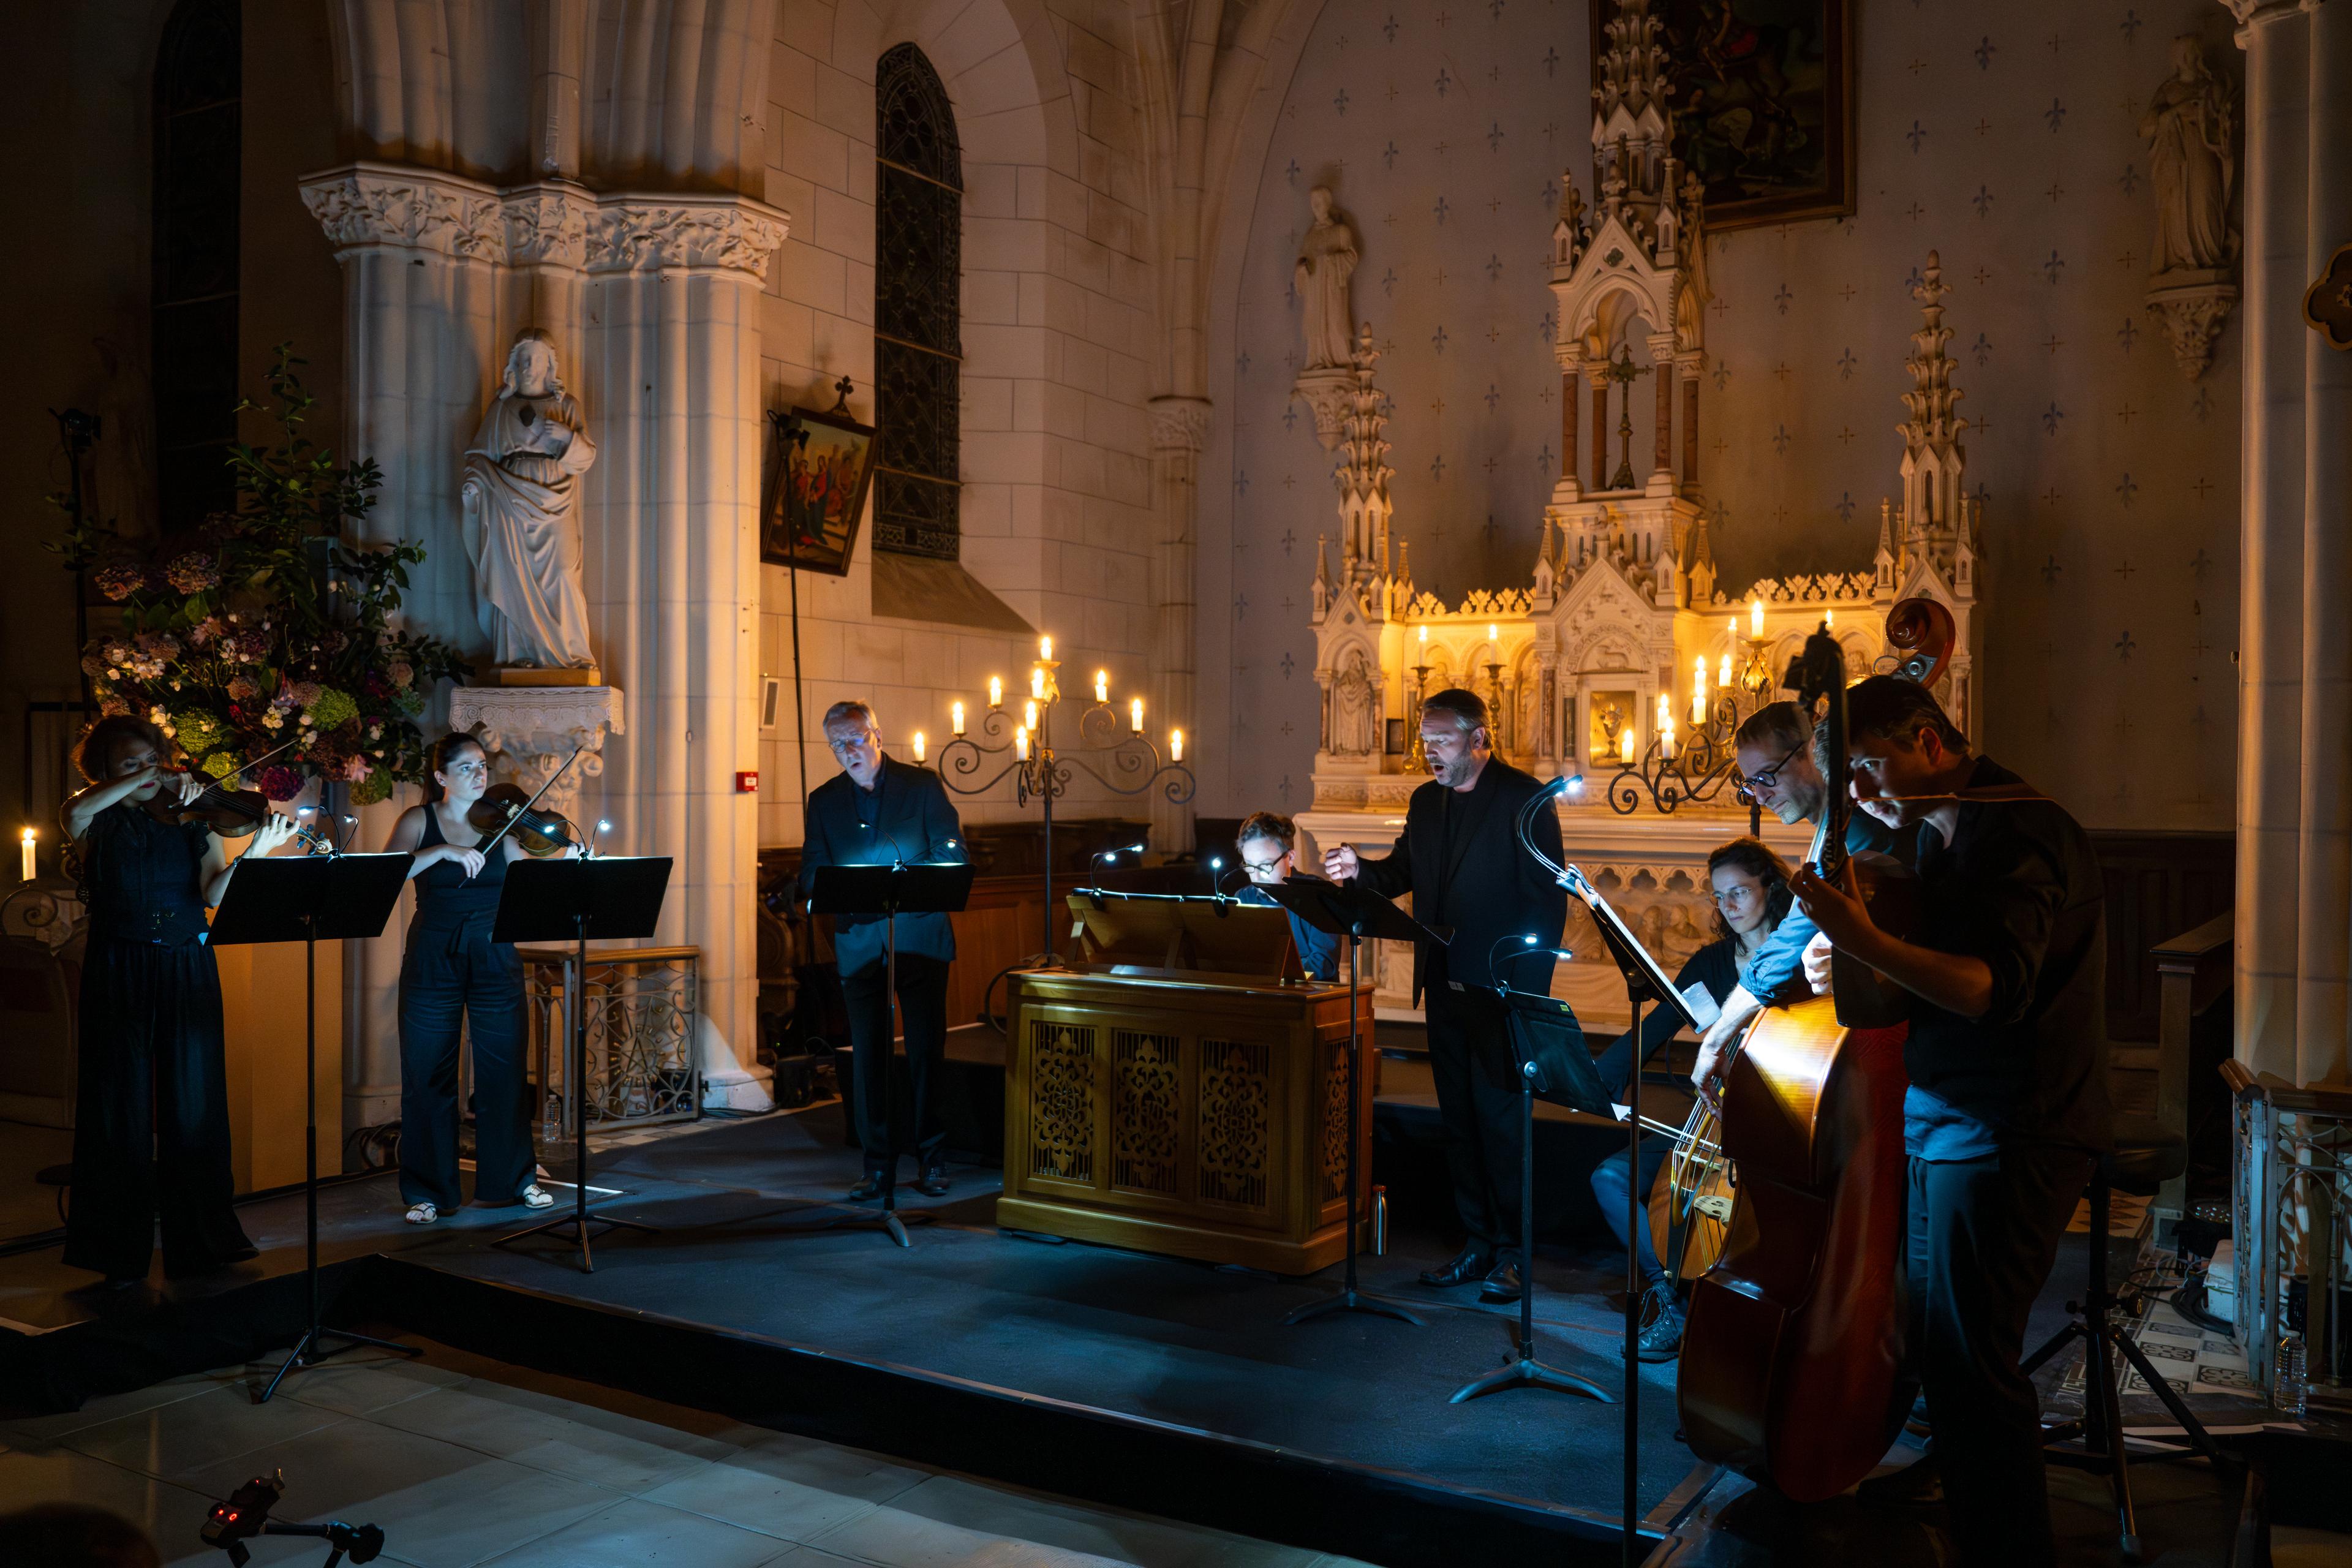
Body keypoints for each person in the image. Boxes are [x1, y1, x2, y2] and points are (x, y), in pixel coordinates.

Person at [1785, 676, 2108, 1568]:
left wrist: (1868, 944)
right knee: (1943, 1356)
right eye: (1845, 776)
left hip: (2015, 1123)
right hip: (1942, 1115)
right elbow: (1904, 991)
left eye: (1868, 766)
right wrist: (1844, 966)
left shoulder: (2025, 831)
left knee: (1976, 1368)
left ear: (1929, 740)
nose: (1857, 793)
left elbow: (1989, 989)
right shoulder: (1930, 835)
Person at [1324, 688, 1567, 1304]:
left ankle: (1514, 1255)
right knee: (1460, 1122)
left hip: (1500, 990)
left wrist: (1523, 993)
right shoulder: (1425, 802)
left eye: (1442, 740)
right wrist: (1361, 870)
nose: (1429, 751)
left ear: (1479, 738)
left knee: (1502, 1124)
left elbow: (1547, 901)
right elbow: (1402, 870)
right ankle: (1478, 1243)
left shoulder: (1523, 799)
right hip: (1443, 983)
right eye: (1424, 741)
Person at [58, 715, 301, 1286]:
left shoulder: (196, 820)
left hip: (187, 965)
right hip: (119, 964)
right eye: (128, 764)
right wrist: (158, 774)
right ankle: (114, 1251)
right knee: (119, 1105)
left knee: (193, 1103)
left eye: (149, 759)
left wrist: (257, 853)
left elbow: (213, 892)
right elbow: (75, 813)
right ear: (103, 772)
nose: (143, 772)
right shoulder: (94, 817)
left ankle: (203, 1242)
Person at [1588, 837, 1790, 1360]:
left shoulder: (1802, 958)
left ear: (1771, 887)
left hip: (1781, 1121)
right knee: (1611, 1177)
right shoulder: (1712, 962)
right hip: (1713, 1119)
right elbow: (1655, 1028)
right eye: (1719, 897)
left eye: (1740, 892)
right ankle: (1669, 1295)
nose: (1729, 907)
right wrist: (1594, 1079)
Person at [383, 733, 574, 1225]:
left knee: (504, 1072)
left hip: (495, 953)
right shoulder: (418, 821)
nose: (480, 774)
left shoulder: (504, 826)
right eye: (466, 768)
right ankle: (428, 1192)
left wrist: (568, 863)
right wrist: (442, 851)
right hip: (433, 956)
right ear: (441, 776)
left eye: (483, 765)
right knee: (427, 1075)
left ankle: (515, 1181)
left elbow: (527, 877)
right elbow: (389, 872)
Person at [1688, 700, 1911, 1093]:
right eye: (1749, 783)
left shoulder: (1855, 833)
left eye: (1767, 776)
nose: (1759, 797)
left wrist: (1716, 1038)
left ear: (1811, 751)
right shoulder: (1832, 834)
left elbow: (1791, 942)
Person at [798, 700, 968, 1201]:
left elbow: (950, 851)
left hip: (918, 939)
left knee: (924, 1054)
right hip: (859, 943)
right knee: (869, 1060)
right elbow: (812, 870)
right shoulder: (824, 800)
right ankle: (877, 1167)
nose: (846, 752)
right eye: (835, 745)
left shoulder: (922, 786)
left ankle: (932, 1159)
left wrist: (901, 878)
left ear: (876, 733)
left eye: (853, 739)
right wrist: (830, 887)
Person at [1229, 811, 1340, 979]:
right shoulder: (1244, 898)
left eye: (1265, 865)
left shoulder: (1318, 895)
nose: (1257, 877)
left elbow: (1323, 965)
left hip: (1311, 998)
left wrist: (1271, 970)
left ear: (1290, 857)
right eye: (1250, 866)